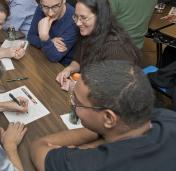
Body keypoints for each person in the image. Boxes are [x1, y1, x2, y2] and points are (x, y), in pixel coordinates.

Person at [31, 59, 176, 171]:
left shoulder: (96, 164)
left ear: (108, 118)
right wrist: (106, 136)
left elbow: (38, 147)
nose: (73, 104)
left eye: (77, 101)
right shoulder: (166, 116)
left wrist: (93, 144)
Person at [56, 0, 140, 91]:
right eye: (76, 17)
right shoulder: (89, 32)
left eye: (83, 18)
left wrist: (76, 87)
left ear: (100, 17)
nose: (78, 23)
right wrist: (68, 70)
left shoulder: (115, 48)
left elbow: (111, 90)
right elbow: (78, 60)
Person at [27, 0, 79, 66]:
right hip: (42, 56)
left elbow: (55, 57)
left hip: (61, 66)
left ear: (64, 1)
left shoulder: (74, 19)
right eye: (45, 7)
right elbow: (30, 36)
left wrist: (45, 38)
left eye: (55, 6)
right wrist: (49, 41)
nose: (50, 13)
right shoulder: (42, 7)